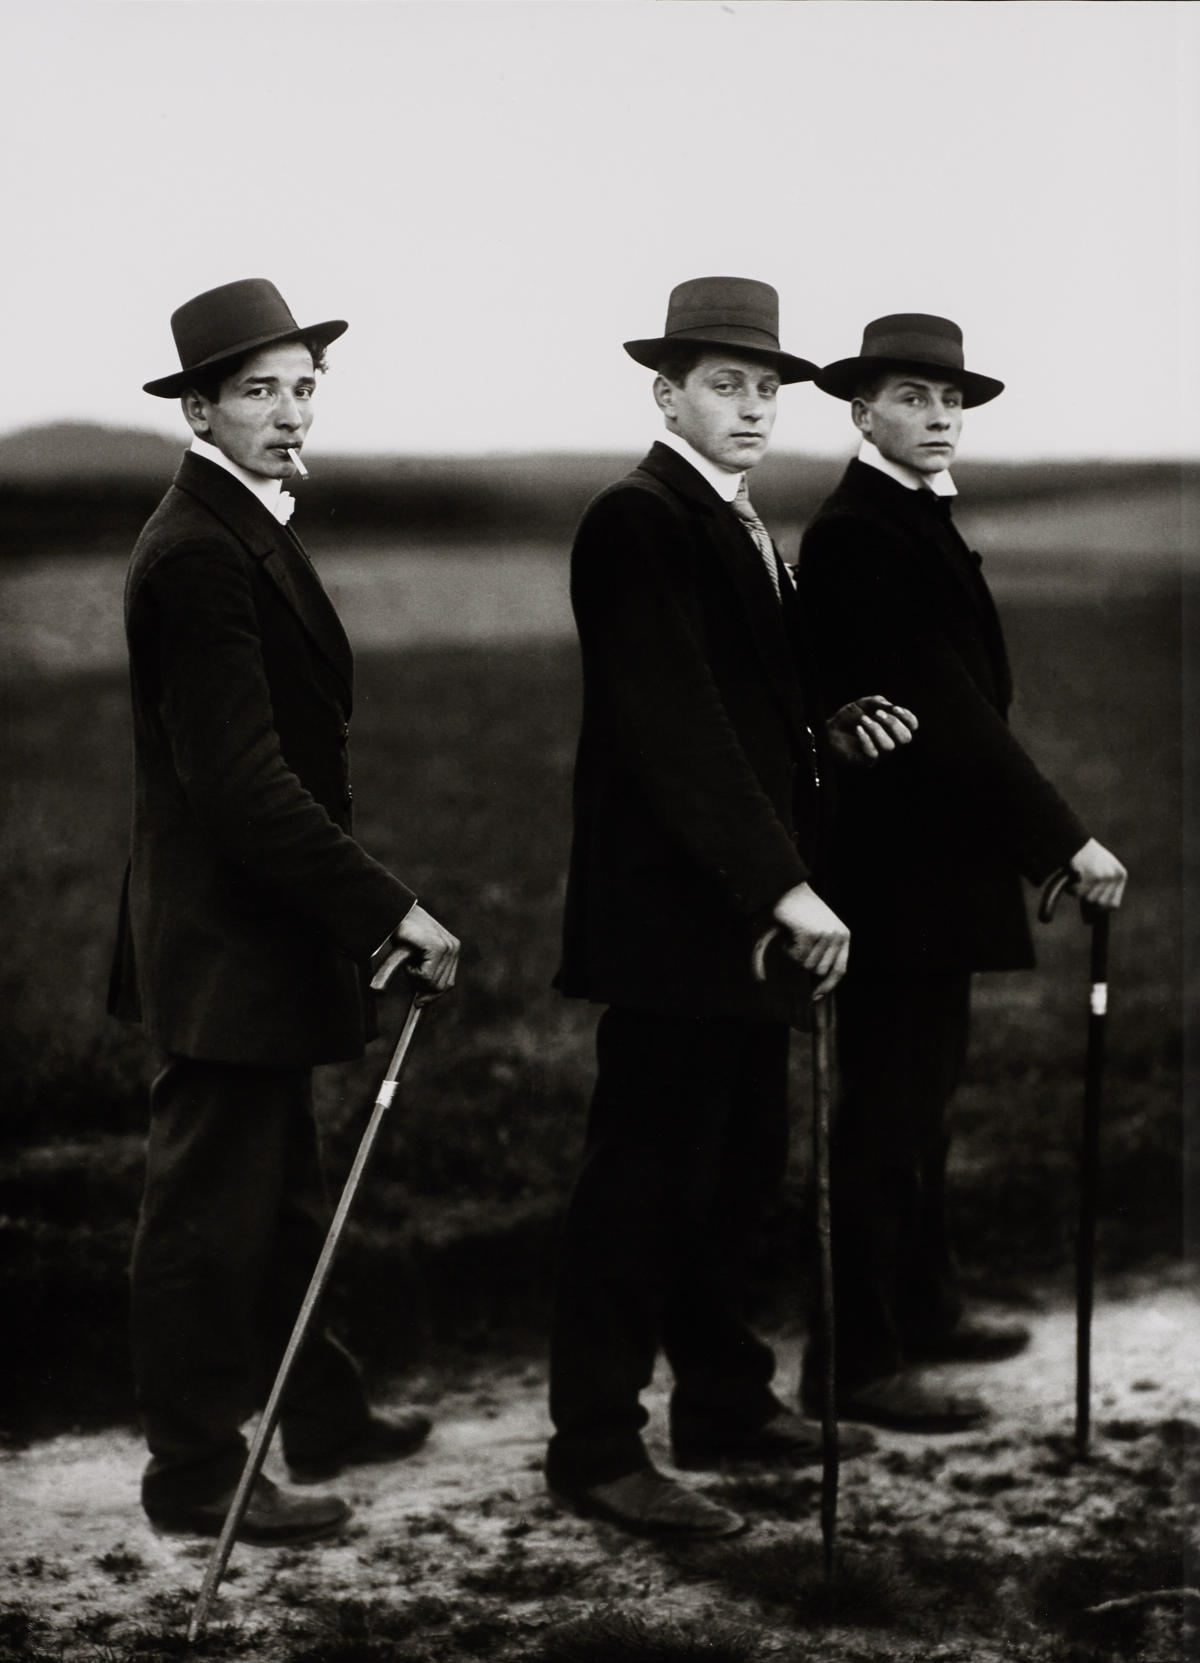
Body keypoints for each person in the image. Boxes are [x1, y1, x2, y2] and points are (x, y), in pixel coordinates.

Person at [546, 276, 916, 1540]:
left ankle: (723, 1399)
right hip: (673, 919)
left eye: (766, 386)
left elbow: (745, 711)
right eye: (726, 383)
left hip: (742, 915)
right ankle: (595, 1445)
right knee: (641, 1181)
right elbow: (674, 725)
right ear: (668, 393)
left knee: (737, 1169)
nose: (754, 405)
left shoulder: (736, 519)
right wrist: (784, 882)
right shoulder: (637, 520)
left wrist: (823, 731)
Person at [109, 278, 460, 1542]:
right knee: (206, 1216)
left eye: (304, 387)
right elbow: (242, 783)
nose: (290, 411)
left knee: (284, 1190)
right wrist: (388, 912)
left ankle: (319, 1408)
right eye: (260, 389)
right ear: (199, 406)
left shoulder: (240, 521)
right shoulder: (199, 548)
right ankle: (194, 1476)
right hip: (224, 939)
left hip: (256, 933)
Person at [796, 314, 1127, 1432]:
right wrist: (1063, 840)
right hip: (893, 873)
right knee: (886, 1115)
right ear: (861, 412)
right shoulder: (860, 532)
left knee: (923, 1104)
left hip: (936, 868)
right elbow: (950, 709)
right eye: (912, 397)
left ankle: (925, 1306)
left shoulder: (910, 518)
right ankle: (856, 1359)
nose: (939, 417)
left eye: (952, 401)